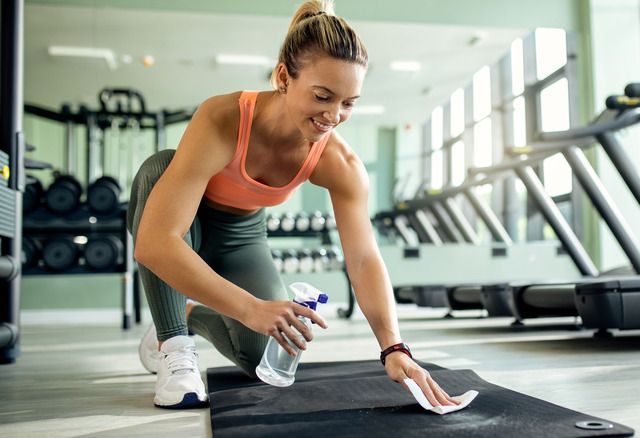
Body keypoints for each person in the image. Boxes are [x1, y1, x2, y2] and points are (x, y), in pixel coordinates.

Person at [128, 0, 456, 409]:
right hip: (184, 221)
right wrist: (249, 307)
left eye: (349, 102)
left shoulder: (340, 162)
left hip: (241, 236)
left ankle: (189, 311)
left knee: (262, 357)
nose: (333, 115)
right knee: (160, 167)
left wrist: (394, 347)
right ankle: (174, 345)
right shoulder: (223, 118)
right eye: (323, 96)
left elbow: (363, 258)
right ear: (284, 77)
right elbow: (155, 243)